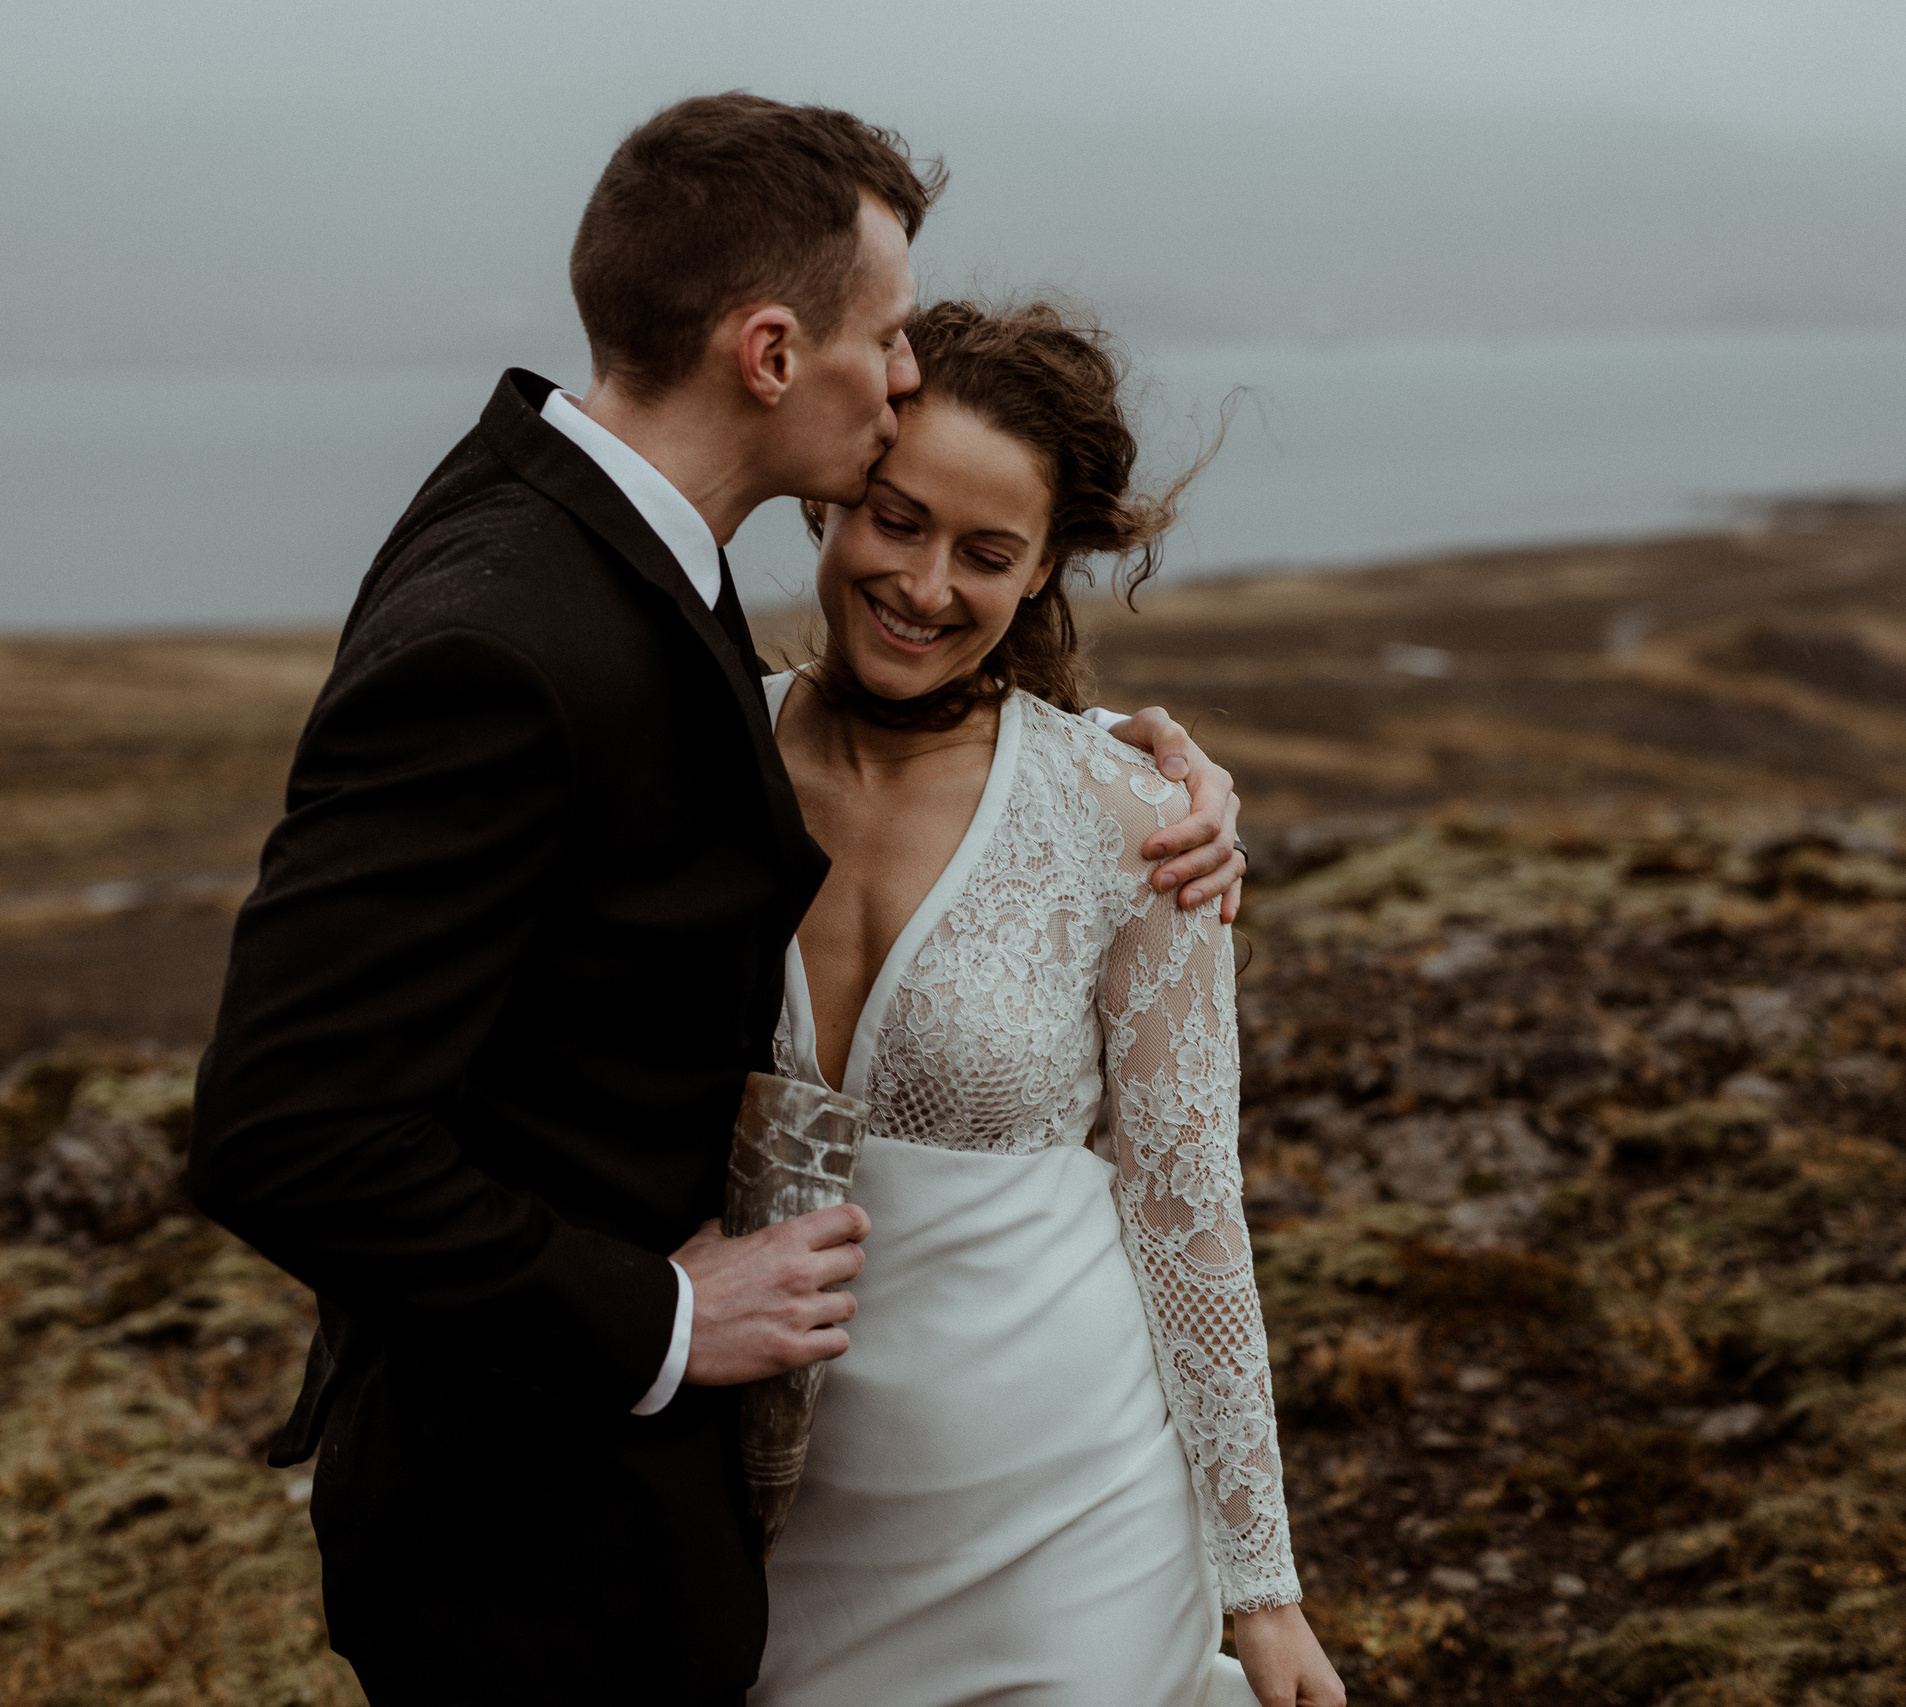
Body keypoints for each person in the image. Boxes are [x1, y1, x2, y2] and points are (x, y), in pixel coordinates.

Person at [187, 96, 1246, 1705]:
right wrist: (665, 1318)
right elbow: (283, 1134)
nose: (901, 376)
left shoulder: (602, 552)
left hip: (829, 1511)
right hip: (532, 1535)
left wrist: (1137, 772)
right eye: (886, 338)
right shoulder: (515, 625)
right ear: (770, 352)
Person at [750, 300, 1345, 1707]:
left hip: (1067, 1518)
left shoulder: (1134, 821)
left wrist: (1263, 1594)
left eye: (987, 553)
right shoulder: (695, 752)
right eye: (897, 521)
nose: (925, 585)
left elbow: (1191, 1213)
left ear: (1042, 574)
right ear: (833, 496)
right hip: (771, 1528)